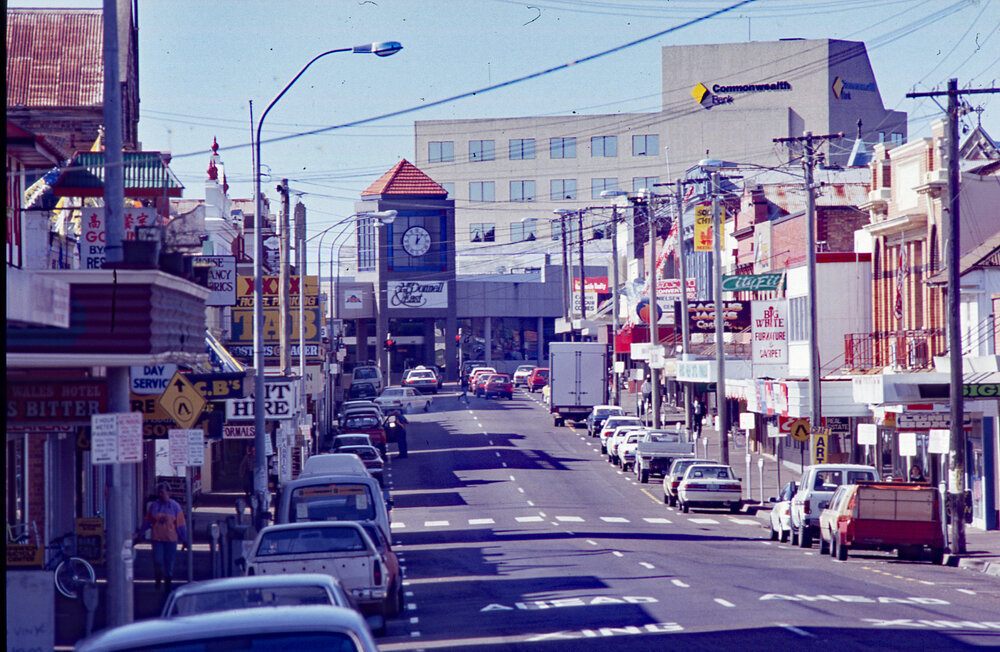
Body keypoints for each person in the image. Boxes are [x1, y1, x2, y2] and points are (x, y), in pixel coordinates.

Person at [139, 482, 188, 591]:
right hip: (157, 539)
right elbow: (147, 521)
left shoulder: (175, 506)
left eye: (163, 492)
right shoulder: (154, 506)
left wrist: (184, 539)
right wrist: (141, 533)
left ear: (169, 493)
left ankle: (167, 586)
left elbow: (180, 525)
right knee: (158, 561)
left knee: (169, 563)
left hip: (171, 540)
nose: (161, 495)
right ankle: (158, 578)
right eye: (159, 492)